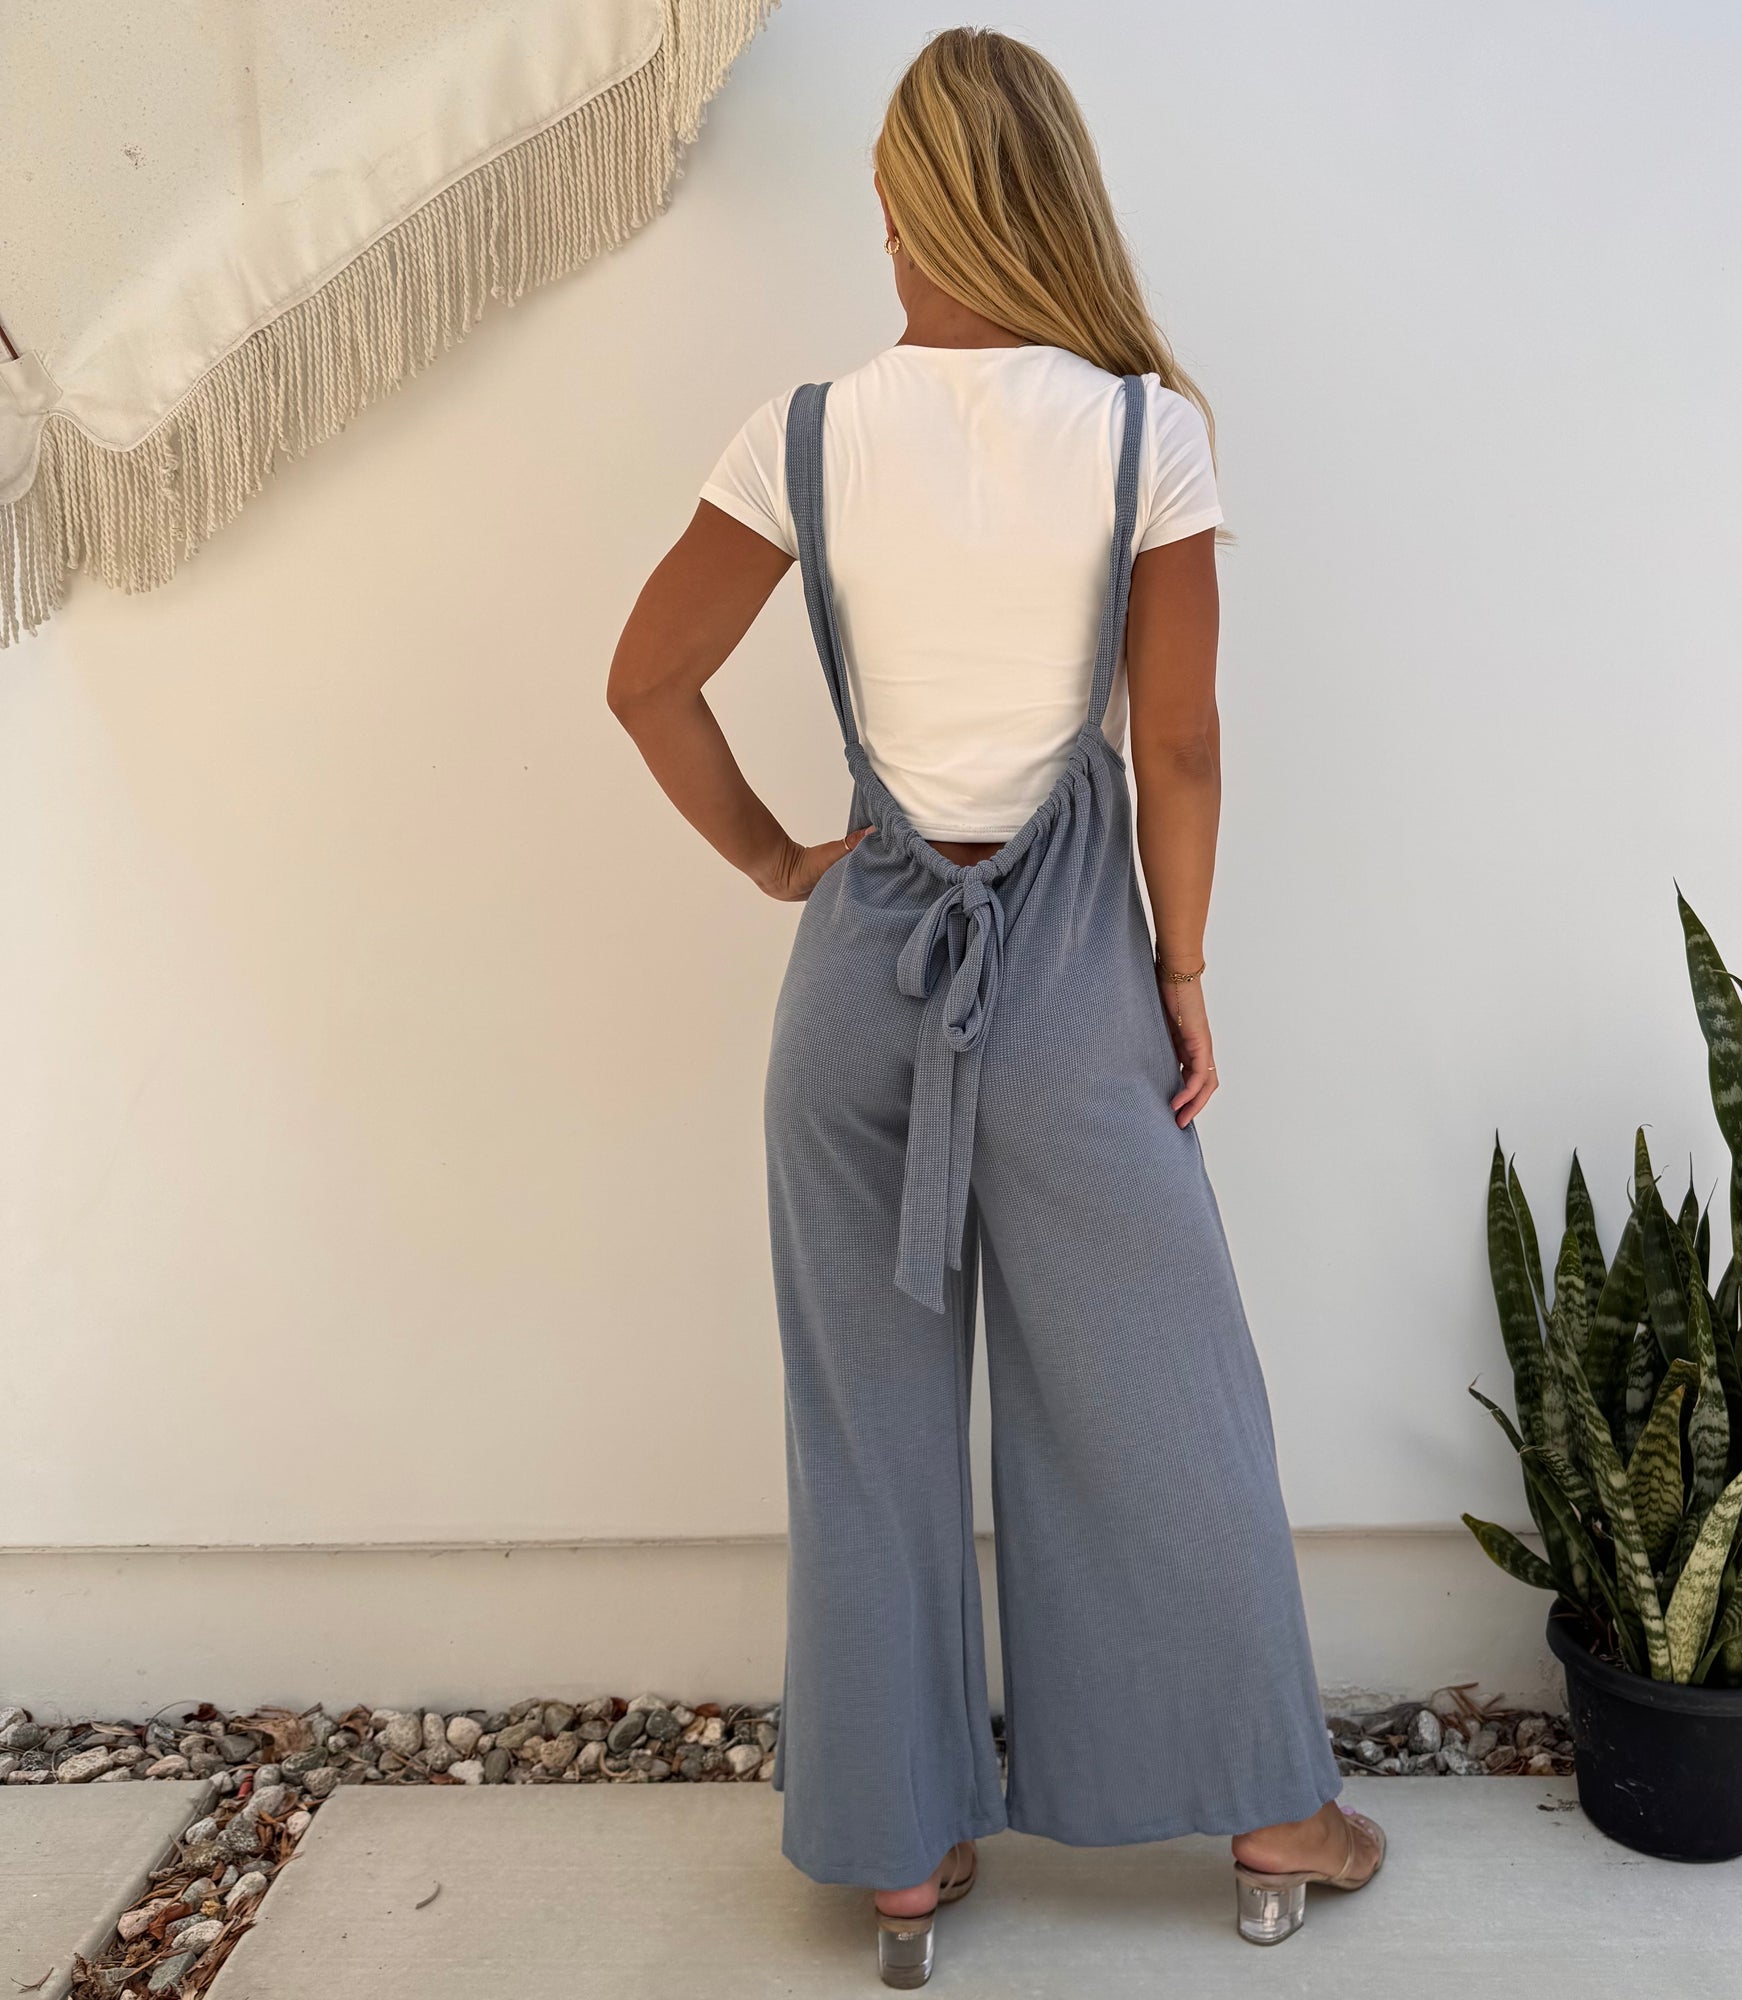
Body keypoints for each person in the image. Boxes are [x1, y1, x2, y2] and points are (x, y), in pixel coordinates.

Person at [608, 26, 1386, 1988]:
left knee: (864, 1428)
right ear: (1052, 198)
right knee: (1165, 1401)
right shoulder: (1141, 434)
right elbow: (1177, 744)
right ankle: (1269, 1813)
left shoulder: (799, 435)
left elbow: (644, 681)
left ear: (893, 205)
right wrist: (1179, 973)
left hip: (858, 981)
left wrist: (777, 860)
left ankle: (899, 1848)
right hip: (1068, 987)